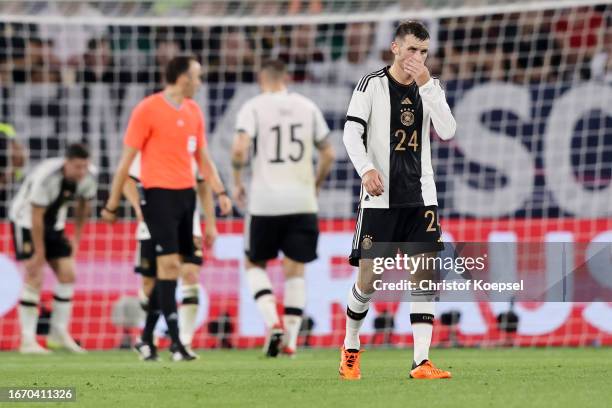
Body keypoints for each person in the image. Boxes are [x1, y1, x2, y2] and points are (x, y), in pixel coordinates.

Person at [339, 21, 456, 380]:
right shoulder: (371, 85)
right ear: (394, 48)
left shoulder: (430, 87)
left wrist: (427, 86)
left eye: (423, 52)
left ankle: (421, 361)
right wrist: (366, 169)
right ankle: (351, 344)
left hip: (421, 196)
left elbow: (448, 130)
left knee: (425, 274)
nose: (417, 58)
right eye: (411, 50)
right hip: (379, 199)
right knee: (369, 280)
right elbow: (350, 132)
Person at [101, 55, 232, 361]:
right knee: (170, 267)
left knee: (174, 271)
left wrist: (220, 191)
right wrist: (111, 203)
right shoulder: (147, 109)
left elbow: (203, 158)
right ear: (182, 77)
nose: (199, 83)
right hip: (157, 197)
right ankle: (176, 342)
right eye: (196, 76)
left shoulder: (194, 111)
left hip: (186, 197)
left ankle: (147, 339)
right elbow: (125, 163)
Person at [231, 59, 336, 357]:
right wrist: (315, 184)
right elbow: (328, 153)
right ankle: (290, 340)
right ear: (286, 78)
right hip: (302, 200)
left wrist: (238, 181)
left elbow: (239, 148)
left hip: (264, 201)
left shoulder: (253, 107)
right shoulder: (307, 106)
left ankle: (272, 322)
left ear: (261, 77)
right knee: (295, 268)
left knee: (254, 263)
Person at [124, 154, 217, 360]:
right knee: (152, 284)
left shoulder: (191, 150)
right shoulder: (149, 151)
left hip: (187, 226)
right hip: (151, 226)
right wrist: (138, 208)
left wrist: (209, 222)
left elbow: (204, 183)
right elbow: (126, 179)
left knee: (190, 275)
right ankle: (149, 338)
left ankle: (183, 342)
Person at [10, 143, 96, 354]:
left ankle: (58, 334)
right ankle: (28, 341)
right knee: (35, 275)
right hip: (26, 222)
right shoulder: (47, 177)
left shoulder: (89, 177)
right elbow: (36, 216)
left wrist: (76, 239)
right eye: (77, 167)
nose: (81, 172)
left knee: (68, 273)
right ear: (66, 163)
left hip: (55, 225)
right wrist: (39, 254)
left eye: (84, 166)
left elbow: (84, 206)